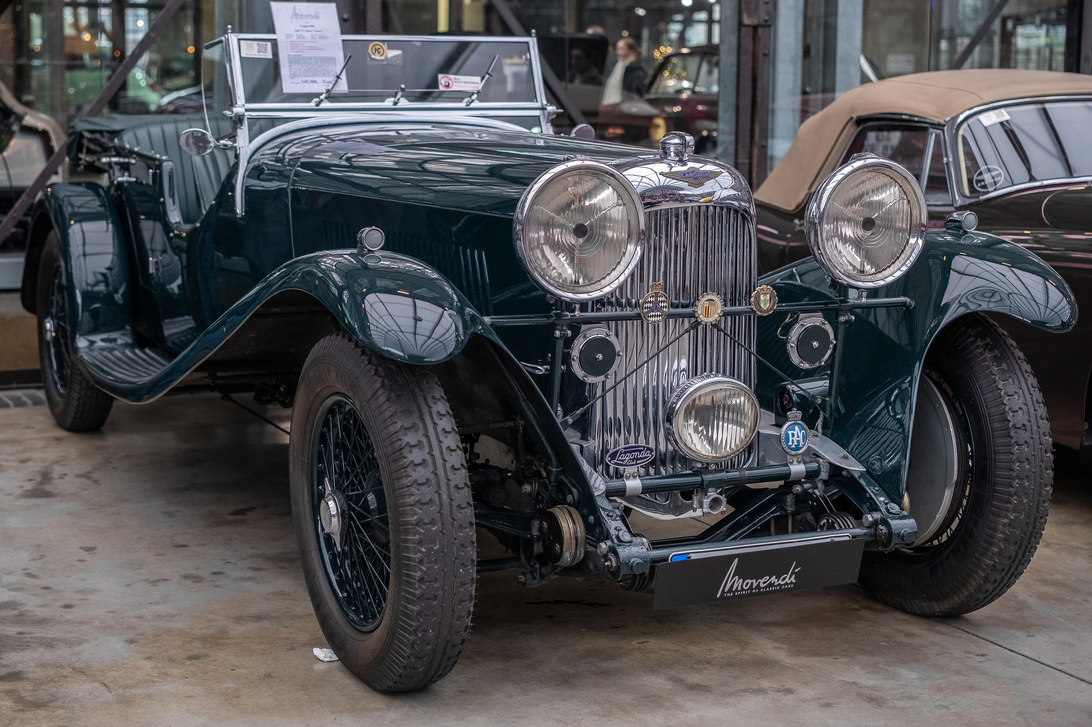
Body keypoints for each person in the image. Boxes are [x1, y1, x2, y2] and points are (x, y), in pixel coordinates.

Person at [600, 37, 648, 106]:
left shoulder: (635, 69)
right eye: (618, 49)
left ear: (631, 51)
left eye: (622, 49)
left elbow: (634, 93)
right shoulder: (619, 66)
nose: (618, 52)